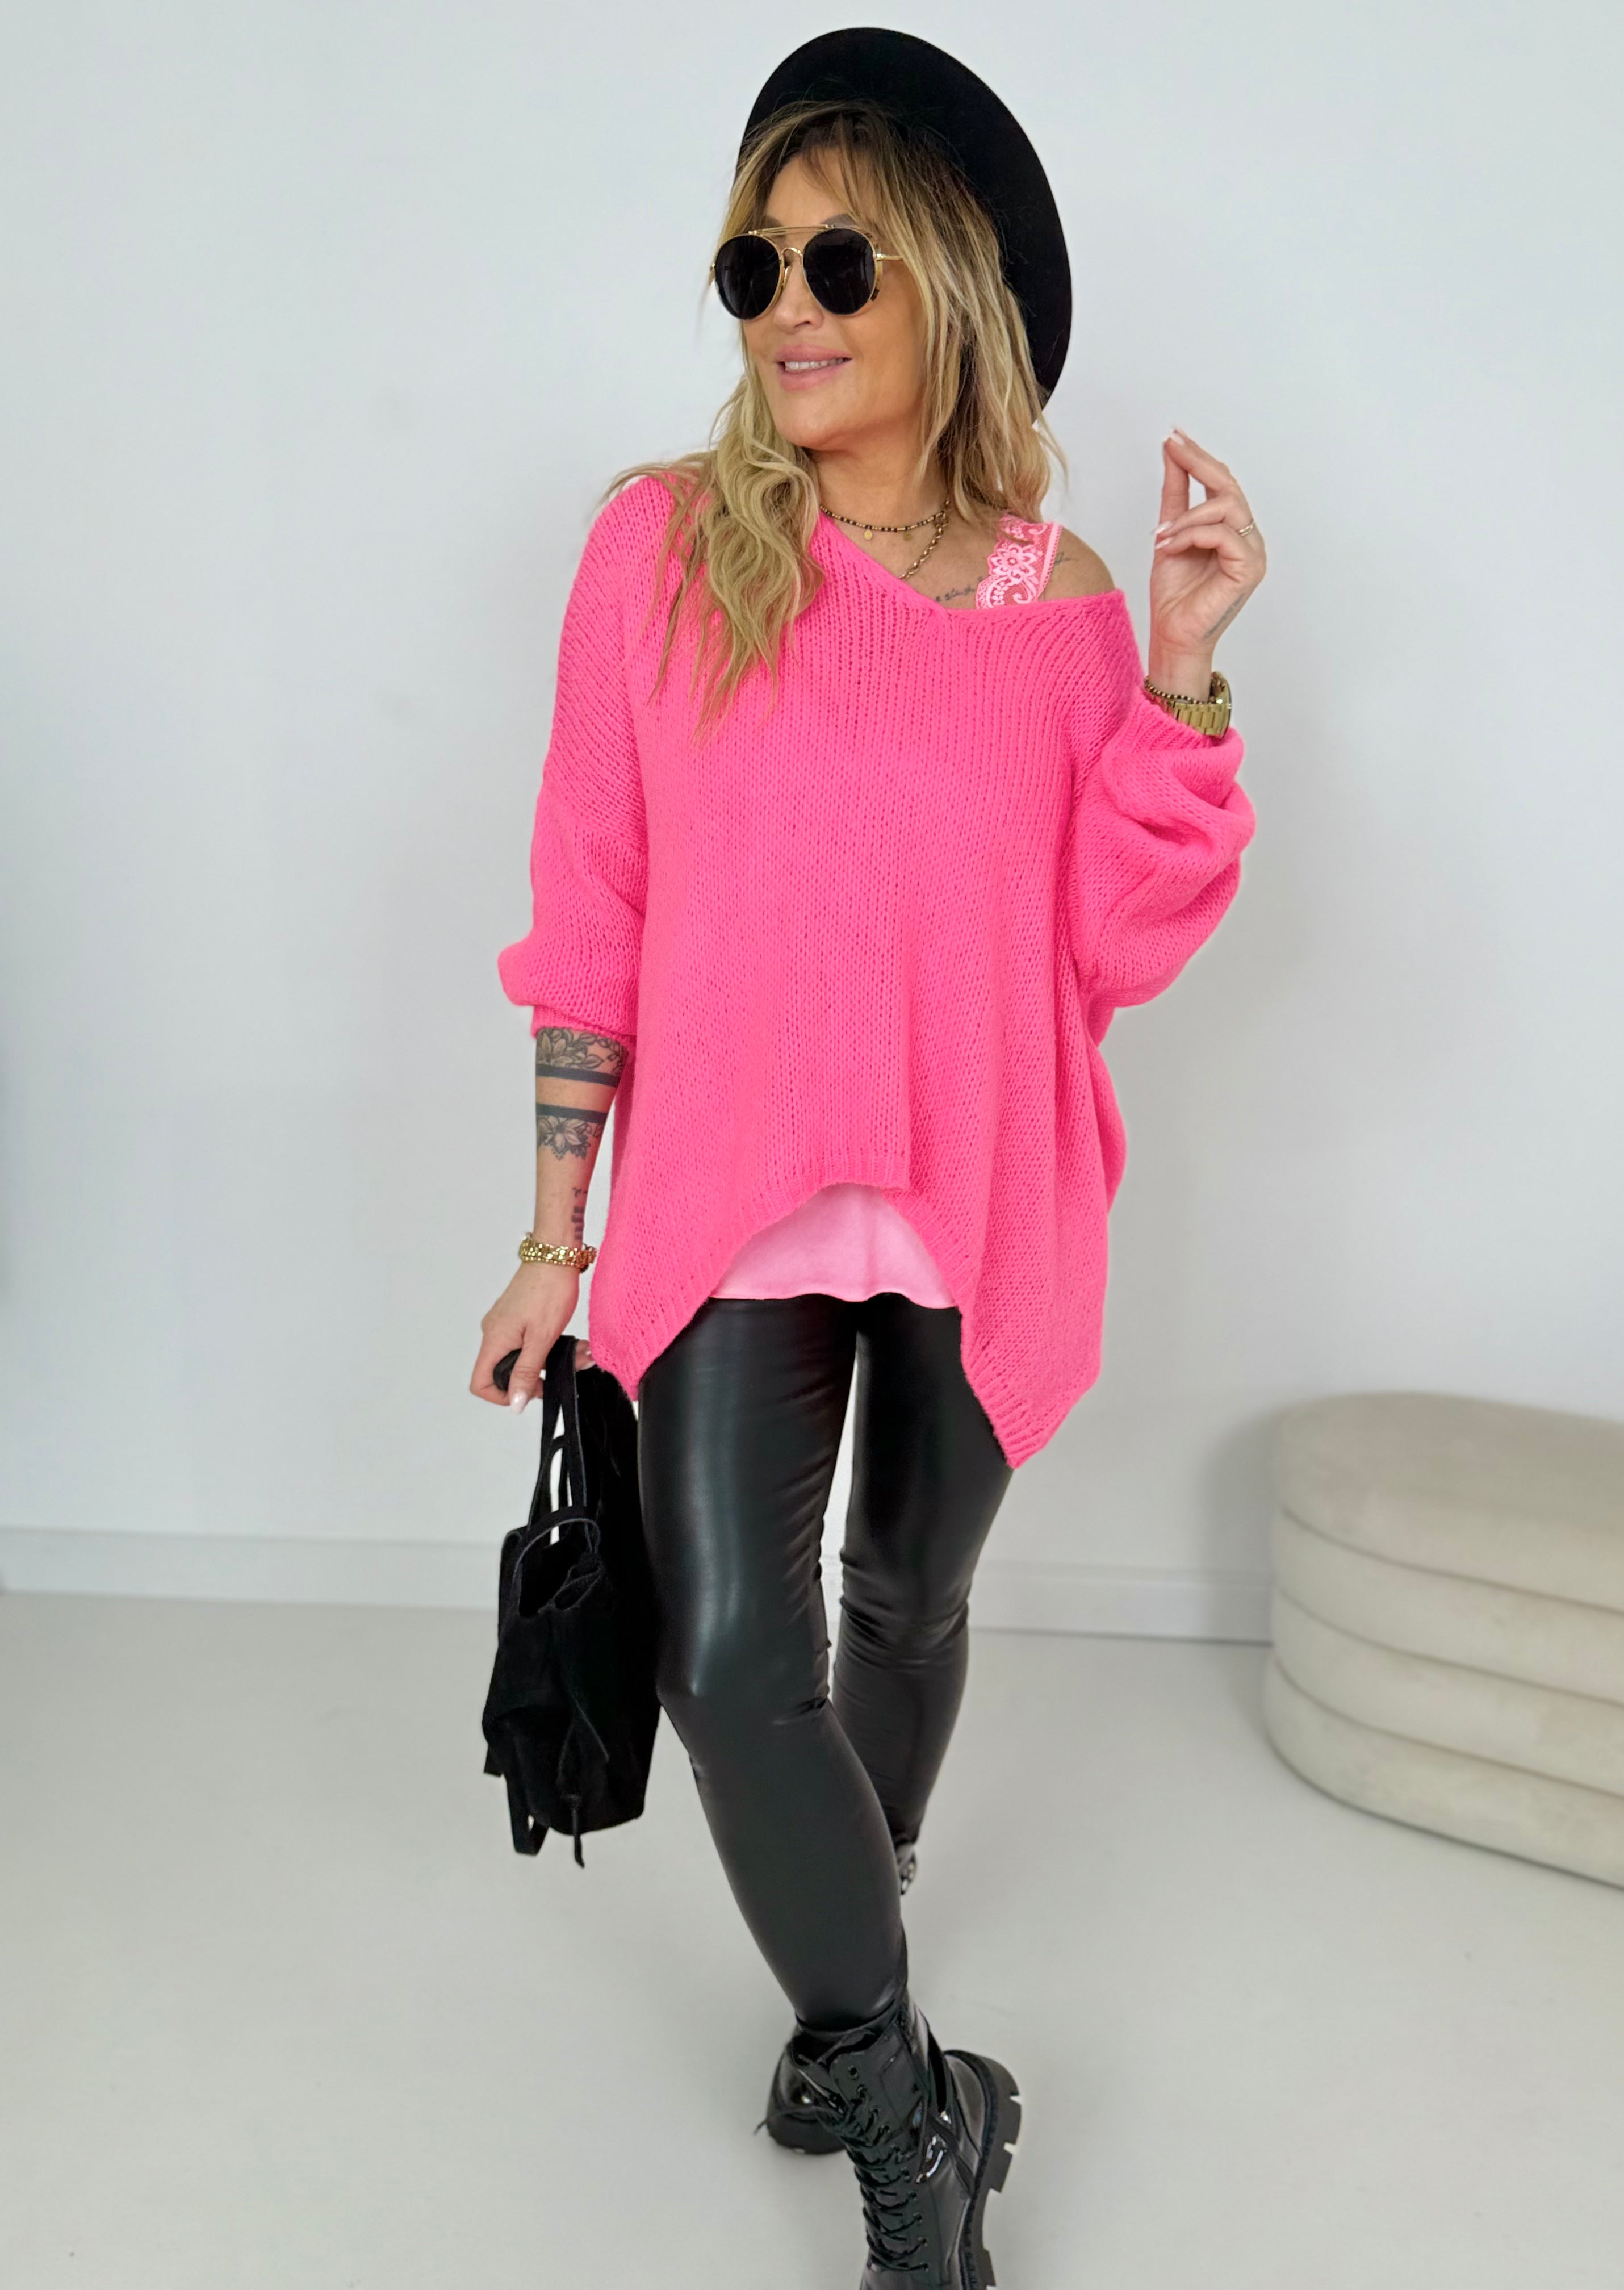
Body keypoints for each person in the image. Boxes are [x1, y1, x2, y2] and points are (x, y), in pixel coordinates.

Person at [468, 29, 1264, 2287]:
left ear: (946, 288)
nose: (785, 309)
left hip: (984, 1198)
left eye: (836, 262)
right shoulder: (661, 549)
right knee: (737, 1663)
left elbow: (1111, 948)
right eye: (755, 264)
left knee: (907, 1604)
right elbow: (592, 902)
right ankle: (913, 2106)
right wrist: (553, 1236)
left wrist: (1180, 676)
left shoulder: (1057, 597)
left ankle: (853, 1972)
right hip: (731, 1196)